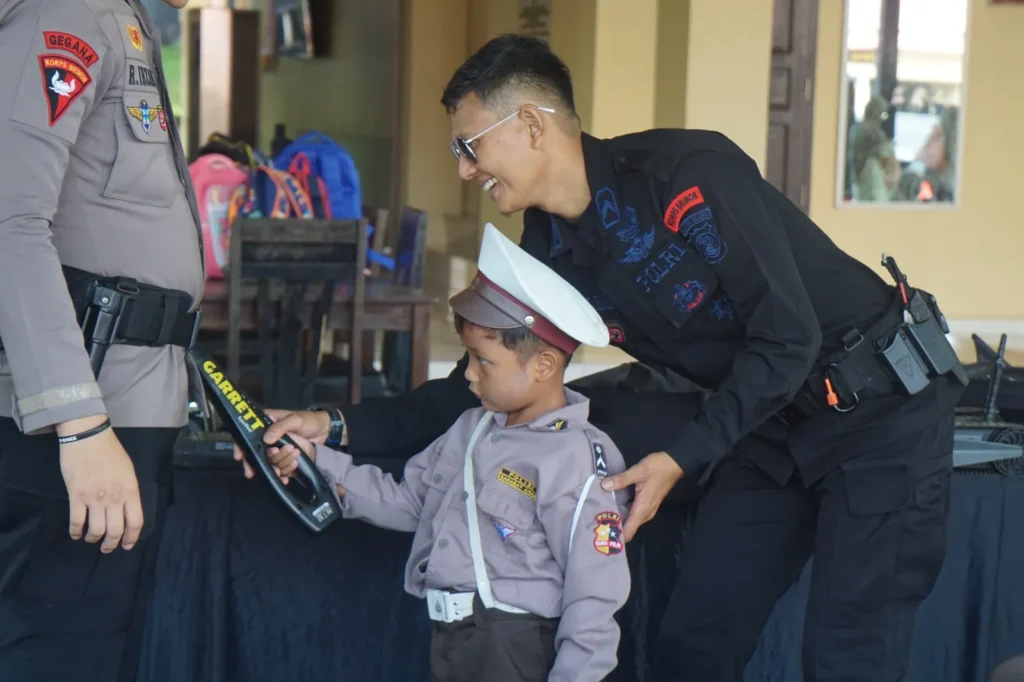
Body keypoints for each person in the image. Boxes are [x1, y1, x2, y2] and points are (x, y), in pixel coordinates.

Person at [245, 35, 967, 682]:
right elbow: (499, 381)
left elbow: (788, 337)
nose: (464, 172)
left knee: (847, 658)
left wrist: (683, 456)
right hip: (769, 426)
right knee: (693, 646)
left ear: (529, 124)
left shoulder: (688, 174)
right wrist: (337, 426)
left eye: (470, 147)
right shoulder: (549, 249)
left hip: (883, 416)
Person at [265, 223, 631, 682]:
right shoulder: (469, 429)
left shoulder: (574, 458)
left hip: (515, 643)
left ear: (543, 365)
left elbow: (595, 591)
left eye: (484, 361)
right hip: (454, 638)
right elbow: (407, 501)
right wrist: (316, 463)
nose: (470, 376)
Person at [0, 0, 202, 680]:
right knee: (55, 649)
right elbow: (9, 222)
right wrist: (79, 425)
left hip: (129, 405)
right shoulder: (67, 15)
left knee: (95, 643)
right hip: (75, 421)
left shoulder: (124, 21)